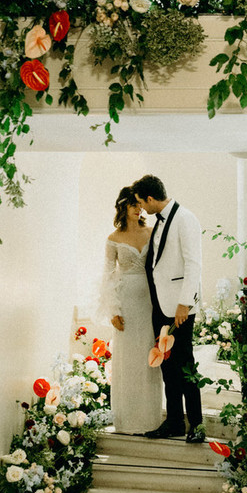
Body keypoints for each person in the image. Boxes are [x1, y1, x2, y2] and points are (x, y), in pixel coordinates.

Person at [132, 174, 205, 443]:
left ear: (151, 198)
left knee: (185, 365)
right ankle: (174, 421)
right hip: (160, 304)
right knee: (167, 365)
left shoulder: (185, 218)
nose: (142, 208)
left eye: (142, 202)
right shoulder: (160, 221)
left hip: (179, 307)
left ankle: (196, 424)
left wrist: (184, 303)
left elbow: (194, 264)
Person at [100, 186, 162, 435]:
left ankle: (149, 419)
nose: (139, 209)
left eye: (140, 205)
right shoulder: (113, 238)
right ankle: (126, 419)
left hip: (150, 301)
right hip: (126, 303)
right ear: (123, 207)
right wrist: (113, 310)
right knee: (127, 359)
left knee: (148, 356)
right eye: (133, 205)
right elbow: (107, 276)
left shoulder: (151, 232)